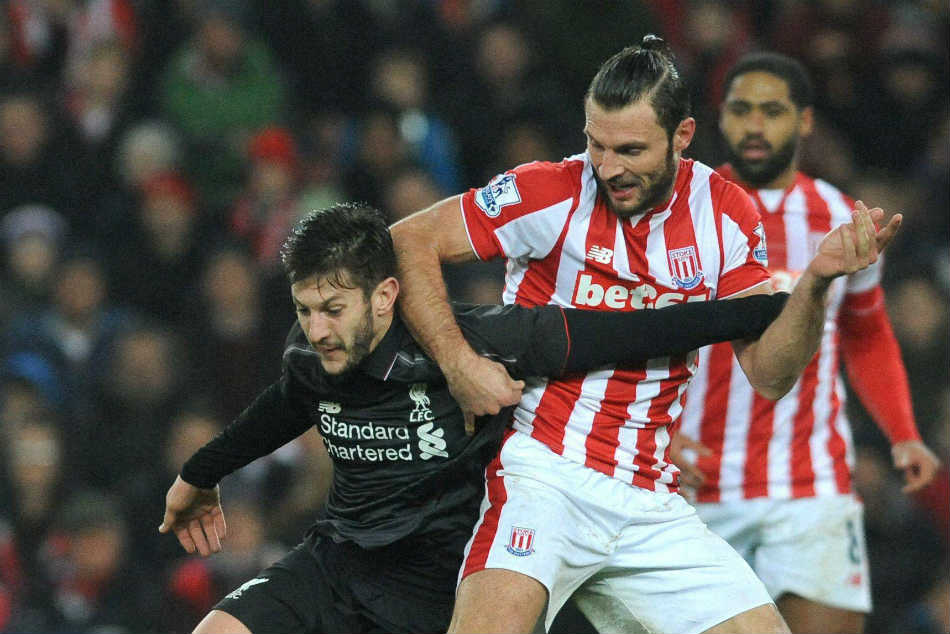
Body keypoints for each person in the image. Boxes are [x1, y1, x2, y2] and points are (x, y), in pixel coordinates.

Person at [389, 35, 902, 634]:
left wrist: (815, 283)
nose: (606, 168)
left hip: (648, 495)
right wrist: (458, 363)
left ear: (682, 137)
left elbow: (769, 375)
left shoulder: (727, 213)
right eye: (595, 144)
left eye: (629, 150)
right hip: (542, 472)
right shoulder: (549, 190)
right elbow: (410, 237)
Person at [158, 202, 794, 634]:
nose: (317, 330)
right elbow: (276, 414)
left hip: (439, 586)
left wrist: (757, 312)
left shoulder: (482, 344)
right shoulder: (310, 362)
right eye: (304, 310)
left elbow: (632, 332)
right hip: (338, 562)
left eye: (332, 309)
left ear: (385, 295)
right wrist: (198, 475)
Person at [675, 52, 940, 634]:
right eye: (741, 110)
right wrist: (658, 438)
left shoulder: (841, 218)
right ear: (721, 117)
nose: (754, 126)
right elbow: (633, 335)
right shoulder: (679, 213)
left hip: (809, 483)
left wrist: (903, 432)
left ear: (805, 121)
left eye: (772, 111)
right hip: (692, 486)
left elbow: (867, 331)